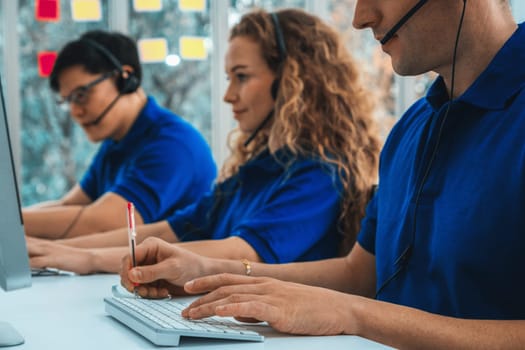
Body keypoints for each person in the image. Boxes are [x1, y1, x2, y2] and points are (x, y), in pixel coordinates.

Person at [119, 1, 525, 348]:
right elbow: (360, 274)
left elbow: (357, 301)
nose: (360, 18)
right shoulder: (411, 129)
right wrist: (206, 275)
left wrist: (355, 315)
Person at [28, 8, 380, 275]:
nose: (227, 96)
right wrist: (66, 252)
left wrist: (84, 256)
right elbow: (171, 230)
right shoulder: (258, 168)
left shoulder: (320, 172)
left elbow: (239, 251)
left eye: (240, 77)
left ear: (291, 80)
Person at [23, 30, 216, 239]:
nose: (75, 112)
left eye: (81, 95)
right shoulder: (117, 143)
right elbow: (69, 206)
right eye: (68, 101)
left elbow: (104, 224)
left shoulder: (173, 145)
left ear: (125, 78)